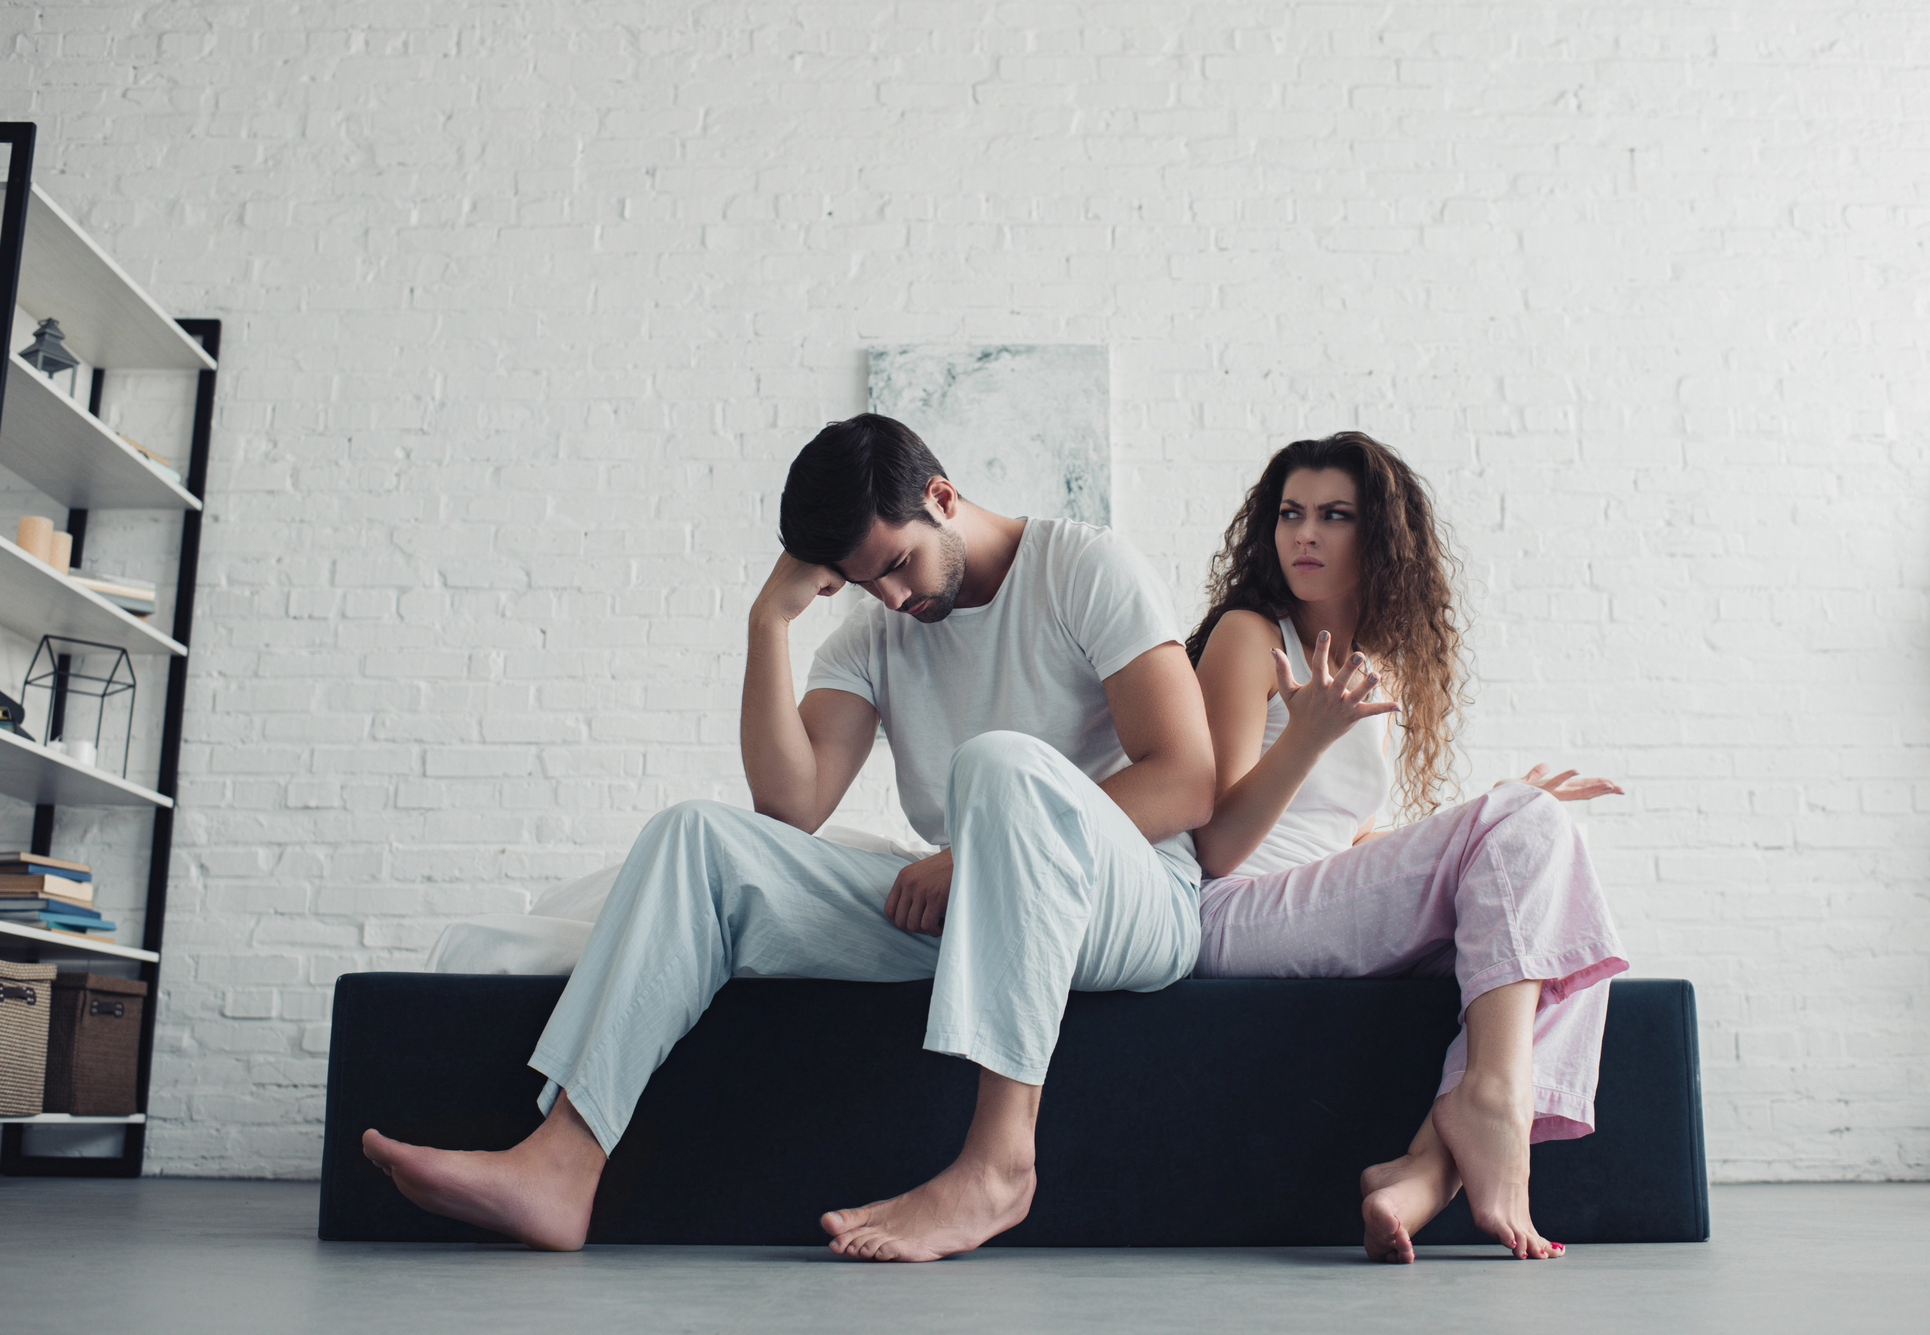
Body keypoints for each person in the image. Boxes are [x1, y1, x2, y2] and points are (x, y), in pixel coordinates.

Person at [362, 414, 1216, 1260]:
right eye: (861, 581)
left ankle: (998, 1166)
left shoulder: (1085, 567)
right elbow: (787, 811)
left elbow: (1188, 776)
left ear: (943, 498)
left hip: (1130, 901)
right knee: (697, 837)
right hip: (981, 913)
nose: (892, 597)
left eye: (896, 564)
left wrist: (975, 854)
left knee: (998, 766)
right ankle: (560, 1163)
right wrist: (767, 622)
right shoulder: (880, 630)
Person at [1185, 432, 1627, 1264]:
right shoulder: (1251, 636)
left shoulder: (1376, 672)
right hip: (1236, 911)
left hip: (1309, 905)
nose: (1304, 534)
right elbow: (1215, 843)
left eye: (1334, 515)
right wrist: (1305, 739)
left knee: (1550, 914)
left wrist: (1507, 833)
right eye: (1290, 514)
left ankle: (1423, 1172)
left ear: (1381, 537)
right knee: (1527, 831)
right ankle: (1490, 1102)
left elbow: (1353, 840)